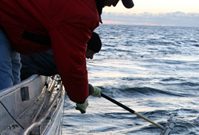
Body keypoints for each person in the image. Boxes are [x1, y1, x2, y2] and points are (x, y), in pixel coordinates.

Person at [0, 0, 134, 113]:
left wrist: (87, 91)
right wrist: (81, 97)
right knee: (5, 85)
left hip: (13, 31)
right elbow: (71, 69)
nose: (115, 4)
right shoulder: (80, 11)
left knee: (13, 86)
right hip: (5, 23)